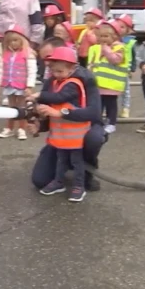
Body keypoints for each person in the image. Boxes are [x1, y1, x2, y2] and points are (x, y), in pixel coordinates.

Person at [31, 37, 104, 192]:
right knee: (40, 180)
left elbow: (93, 112)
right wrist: (39, 124)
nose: (48, 64)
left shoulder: (86, 78)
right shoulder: (52, 80)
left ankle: (87, 173)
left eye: (50, 58)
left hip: (86, 127)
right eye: (45, 60)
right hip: (63, 133)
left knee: (95, 138)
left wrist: (61, 113)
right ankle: (65, 166)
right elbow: (47, 108)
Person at [36, 47, 92, 202]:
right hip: (61, 136)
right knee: (61, 160)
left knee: (77, 162)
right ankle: (58, 182)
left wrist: (39, 95)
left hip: (75, 136)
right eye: (54, 71)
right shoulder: (56, 82)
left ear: (72, 69)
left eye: (60, 71)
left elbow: (60, 98)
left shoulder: (73, 84)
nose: (56, 74)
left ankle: (79, 186)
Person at [0, 24, 38, 139]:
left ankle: (21, 129)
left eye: (15, 40)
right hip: (9, 85)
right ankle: (9, 128)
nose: (13, 43)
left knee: (21, 107)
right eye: (10, 41)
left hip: (21, 86)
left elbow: (32, 71)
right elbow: (1, 70)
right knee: (11, 107)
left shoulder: (28, 54)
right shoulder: (6, 54)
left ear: (22, 40)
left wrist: (29, 86)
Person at [87, 20, 127, 134]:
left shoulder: (119, 47)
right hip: (98, 84)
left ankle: (111, 123)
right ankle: (97, 123)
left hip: (111, 85)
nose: (103, 39)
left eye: (106, 36)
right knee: (98, 105)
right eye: (100, 36)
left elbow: (116, 60)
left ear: (114, 36)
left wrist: (106, 50)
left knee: (111, 106)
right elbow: (92, 64)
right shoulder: (95, 48)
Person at [117, 14, 136, 119]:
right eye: (118, 26)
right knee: (113, 90)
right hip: (114, 69)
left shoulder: (130, 42)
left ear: (128, 29)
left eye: (122, 27)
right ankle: (110, 108)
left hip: (125, 70)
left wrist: (132, 69)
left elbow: (133, 57)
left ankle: (125, 108)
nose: (119, 29)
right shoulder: (113, 39)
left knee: (126, 91)